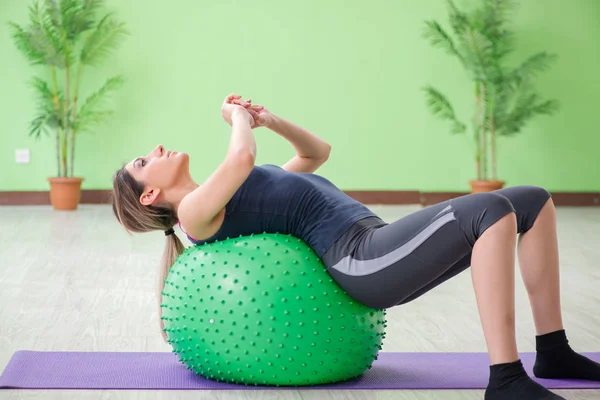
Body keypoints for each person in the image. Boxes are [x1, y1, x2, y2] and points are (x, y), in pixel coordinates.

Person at [112, 94, 599, 400]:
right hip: (362, 260)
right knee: (489, 210)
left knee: (532, 201)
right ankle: (505, 377)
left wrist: (268, 119)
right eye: (143, 161)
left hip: (377, 241)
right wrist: (235, 118)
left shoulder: (237, 192)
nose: (156, 150)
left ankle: (553, 351)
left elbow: (316, 153)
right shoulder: (195, 214)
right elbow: (240, 155)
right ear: (150, 195)